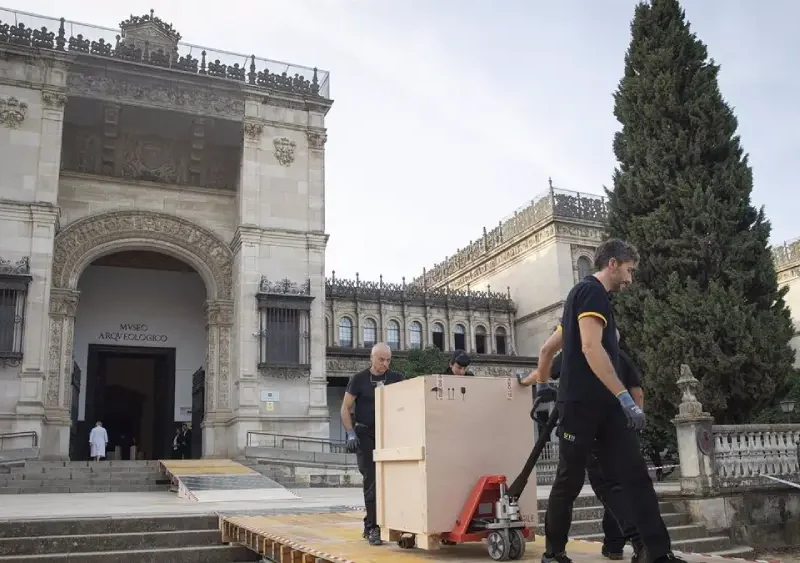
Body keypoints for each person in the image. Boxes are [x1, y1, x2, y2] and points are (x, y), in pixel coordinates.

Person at [532, 239, 682, 563]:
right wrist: (625, 397)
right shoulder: (591, 292)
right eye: (629, 270)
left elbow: (547, 350)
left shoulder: (586, 299)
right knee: (573, 480)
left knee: (627, 475)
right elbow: (590, 347)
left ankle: (655, 553)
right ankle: (555, 552)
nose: (630, 279)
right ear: (612, 264)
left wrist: (543, 386)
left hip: (599, 408)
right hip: (585, 406)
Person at [522, 335, 646, 561]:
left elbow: (544, 365)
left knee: (566, 486)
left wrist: (525, 382)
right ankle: (637, 544)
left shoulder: (574, 353)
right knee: (612, 486)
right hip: (611, 426)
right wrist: (634, 424)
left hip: (578, 423)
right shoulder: (621, 358)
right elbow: (637, 392)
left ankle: (555, 552)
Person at [340, 342, 405, 546]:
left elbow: (408, 401)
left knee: (394, 480)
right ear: (371, 358)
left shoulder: (396, 378)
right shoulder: (358, 379)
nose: (385, 364)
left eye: (388, 360)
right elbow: (345, 408)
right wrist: (350, 433)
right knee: (372, 481)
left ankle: (387, 523)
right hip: (365, 434)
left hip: (389, 434)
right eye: (381, 359)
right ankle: (373, 527)